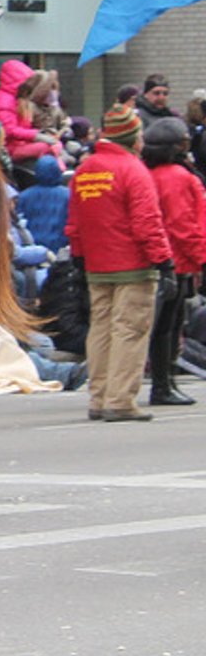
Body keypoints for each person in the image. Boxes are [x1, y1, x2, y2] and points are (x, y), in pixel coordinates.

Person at [65, 104, 172, 422]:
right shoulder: (134, 171)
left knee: (101, 330)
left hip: (97, 265)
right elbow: (147, 222)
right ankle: (121, 399)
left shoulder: (85, 170)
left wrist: (80, 256)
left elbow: (75, 222)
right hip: (133, 265)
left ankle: (98, 397)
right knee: (130, 330)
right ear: (133, 138)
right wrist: (163, 259)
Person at [139, 116, 200, 407]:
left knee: (164, 323)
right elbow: (184, 225)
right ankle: (163, 385)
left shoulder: (147, 174)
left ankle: (164, 382)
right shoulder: (180, 177)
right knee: (169, 324)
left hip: (156, 259)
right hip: (178, 259)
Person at [0, 59, 62, 184]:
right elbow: (9, 130)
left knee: (54, 143)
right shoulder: (4, 100)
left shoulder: (16, 99)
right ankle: (57, 174)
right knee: (46, 146)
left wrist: (41, 133)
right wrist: (37, 136)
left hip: (21, 144)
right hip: (11, 147)